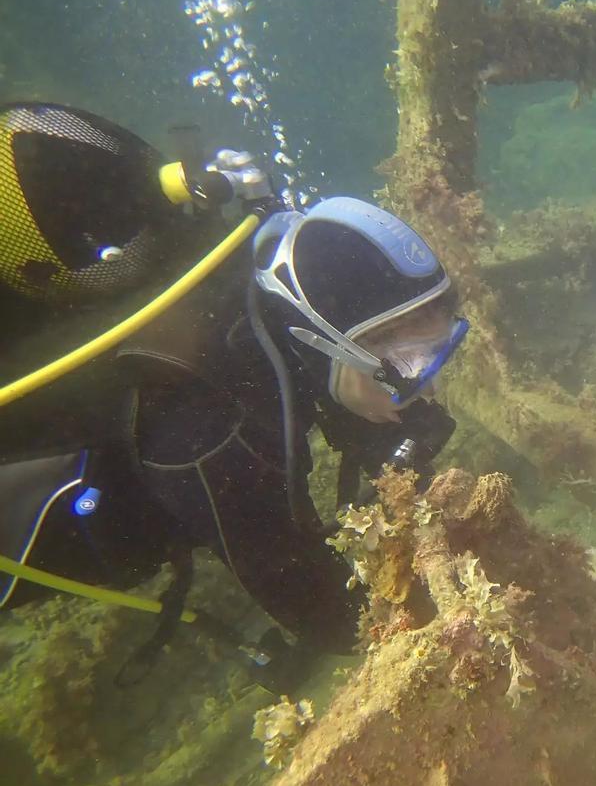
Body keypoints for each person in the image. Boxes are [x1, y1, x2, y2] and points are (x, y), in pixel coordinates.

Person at [0, 103, 465, 678]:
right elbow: (330, 614)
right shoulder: (207, 430)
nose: (432, 380)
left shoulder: (255, 291)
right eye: (409, 360)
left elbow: (334, 404)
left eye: (443, 345)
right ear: (318, 341)